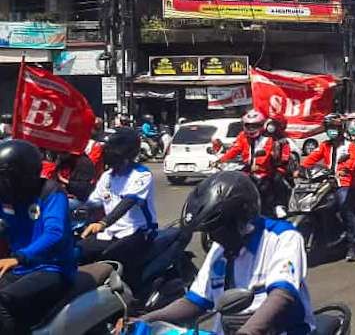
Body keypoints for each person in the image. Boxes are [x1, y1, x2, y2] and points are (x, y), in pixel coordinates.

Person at [139, 171, 314, 334]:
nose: (212, 237)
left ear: (239, 219)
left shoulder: (283, 237)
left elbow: (282, 295)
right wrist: (147, 319)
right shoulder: (220, 250)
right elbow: (194, 301)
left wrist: (248, 332)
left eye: (216, 229)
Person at [0, 140, 75, 333]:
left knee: (2, 302)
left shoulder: (51, 192)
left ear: (21, 175)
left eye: (5, 177)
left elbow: (54, 233)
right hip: (20, 268)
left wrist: (19, 257)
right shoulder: (6, 197)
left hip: (53, 268)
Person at [79, 127, 158, 286]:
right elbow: (93, 202)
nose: (115, 165)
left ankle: (134, 299)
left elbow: (128, 202)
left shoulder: (142, 174)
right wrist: (78, 212)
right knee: (79, 250)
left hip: (138, 231)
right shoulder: (106, 177)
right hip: (110, 232)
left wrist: (103, 223)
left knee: (118, 256)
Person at [301, 114, 355, 261]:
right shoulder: (324, 146)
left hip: (344, 183)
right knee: (315, 203)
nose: (331, 131)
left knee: (344, 206)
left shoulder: (350, 146)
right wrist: (300, 168)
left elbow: (352, 162)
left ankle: (352, 245)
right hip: (327, 182)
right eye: (329, 128)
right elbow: (310, 159)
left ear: (340, 128)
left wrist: (345, 168)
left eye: (334, 128)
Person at [220, 110, 291, 216]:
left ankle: (277, 206)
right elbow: (235, 149)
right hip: (247, 170)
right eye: (248, 126)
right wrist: (221, 160)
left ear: (262, 125)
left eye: (255, 125)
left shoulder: (268, 138)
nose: (251, 129)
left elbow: (265, 154)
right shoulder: (242, 136)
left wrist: (258, 164)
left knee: (274, 181)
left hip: (265, 171)